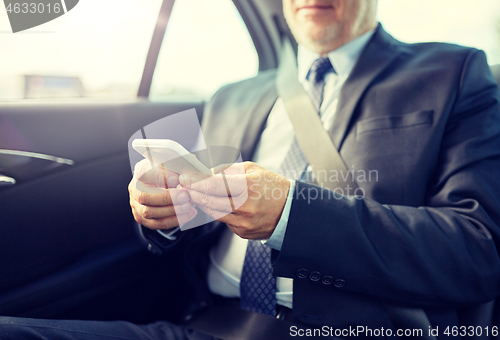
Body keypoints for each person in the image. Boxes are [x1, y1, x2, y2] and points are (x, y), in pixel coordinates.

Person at [2, 0, 500, 338]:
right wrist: (166, 216)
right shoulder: (232, 96)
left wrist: (292, 215)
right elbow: (181, 229)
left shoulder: (452, 73)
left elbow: (477, 252)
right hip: (206, 325)